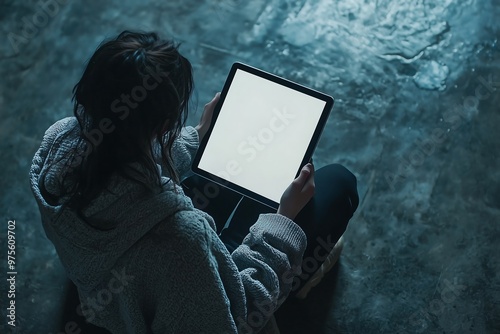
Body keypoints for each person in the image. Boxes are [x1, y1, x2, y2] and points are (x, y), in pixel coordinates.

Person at [30, 31, 358, 333]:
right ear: (161, 128)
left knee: (231, 169)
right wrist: (284, 220)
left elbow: (122, 151)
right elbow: (238, 315)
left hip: (115, 284)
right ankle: (299, 276)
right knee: (338, 183)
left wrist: (200, 135)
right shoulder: (182, 238)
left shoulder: (60, 143)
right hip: (179, 285)